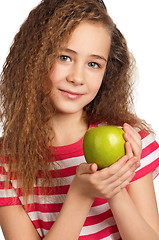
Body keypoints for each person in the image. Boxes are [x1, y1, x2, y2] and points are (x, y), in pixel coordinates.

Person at [0, 0, 159, 239]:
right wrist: (81, 195)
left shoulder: (130, 140)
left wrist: (115, 185)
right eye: (64, 57)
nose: (77, 77)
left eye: (93, 64)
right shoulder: (6, 163)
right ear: (33, 58)